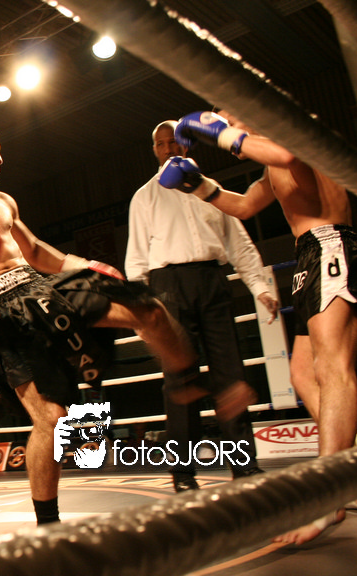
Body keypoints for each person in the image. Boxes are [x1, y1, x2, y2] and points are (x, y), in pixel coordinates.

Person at [0, 116, 253, 525]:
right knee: (52, 420)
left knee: (150, 309)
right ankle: (48, 525)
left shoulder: (2, 201)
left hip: (42, 289)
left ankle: (186, 383)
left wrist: (84, 264)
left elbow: (35, 250)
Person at [162, 109, 357, 543]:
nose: (224, 126)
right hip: (309, 257)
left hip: (331, 247)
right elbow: (245, 205)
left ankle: (329, 493)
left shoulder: (296, 132)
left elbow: (288, 154)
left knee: (333, 367)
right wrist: (198, 186)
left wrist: (220, 133)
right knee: (303, 373)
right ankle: (349, 460)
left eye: (227, 117)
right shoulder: (271, 163)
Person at [126, 120, 279, 492]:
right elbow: (136, 259)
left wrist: (260, 287)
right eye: (161, 144)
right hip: (168, 286)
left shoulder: (211, 190)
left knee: (231, 371)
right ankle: (182, 473)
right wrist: (141, 313)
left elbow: (239, 244)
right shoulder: (144, 197)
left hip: (213, 281)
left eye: (173, 141)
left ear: (185, 144)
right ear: (155, 150)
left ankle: (244, 465)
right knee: (179, 380)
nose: (169, 148)